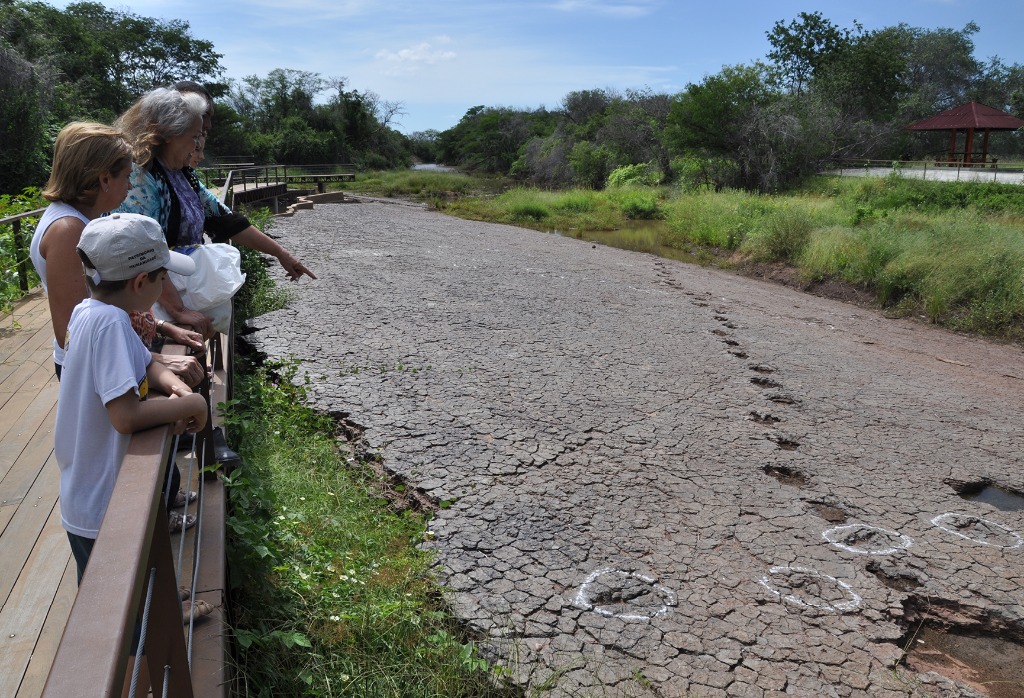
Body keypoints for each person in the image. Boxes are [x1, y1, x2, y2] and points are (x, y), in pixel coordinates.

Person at [56, 211, 209, 585]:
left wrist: (174, 385)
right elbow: (124, 416)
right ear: (142, 282)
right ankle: (160, 630)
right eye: (163, 277)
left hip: (85, 491)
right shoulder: (111, 324)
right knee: (116, 594)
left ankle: (160, 621)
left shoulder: (91, 312)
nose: (165, 284)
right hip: (103, 502)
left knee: (110, 587)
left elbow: (147, 364)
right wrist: (191, 404)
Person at [115, 88, 316, 339]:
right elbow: (144, 250)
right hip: (149, 304)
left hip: (172, 293)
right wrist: (178, 310)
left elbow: (225, 219)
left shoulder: (182, 174)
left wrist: (281, 253)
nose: (198, 145)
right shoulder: (142, 177)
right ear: (168, 134)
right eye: (195, 136)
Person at [31, 122, 207, 385]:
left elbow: (105, 299)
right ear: (104, 179)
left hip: (113, 356)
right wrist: (158, 360)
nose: (129, 187)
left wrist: (161, 326)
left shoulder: (82, 220)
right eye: (126, 176)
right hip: (95, 370)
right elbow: (73, 333)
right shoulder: (68, 231)